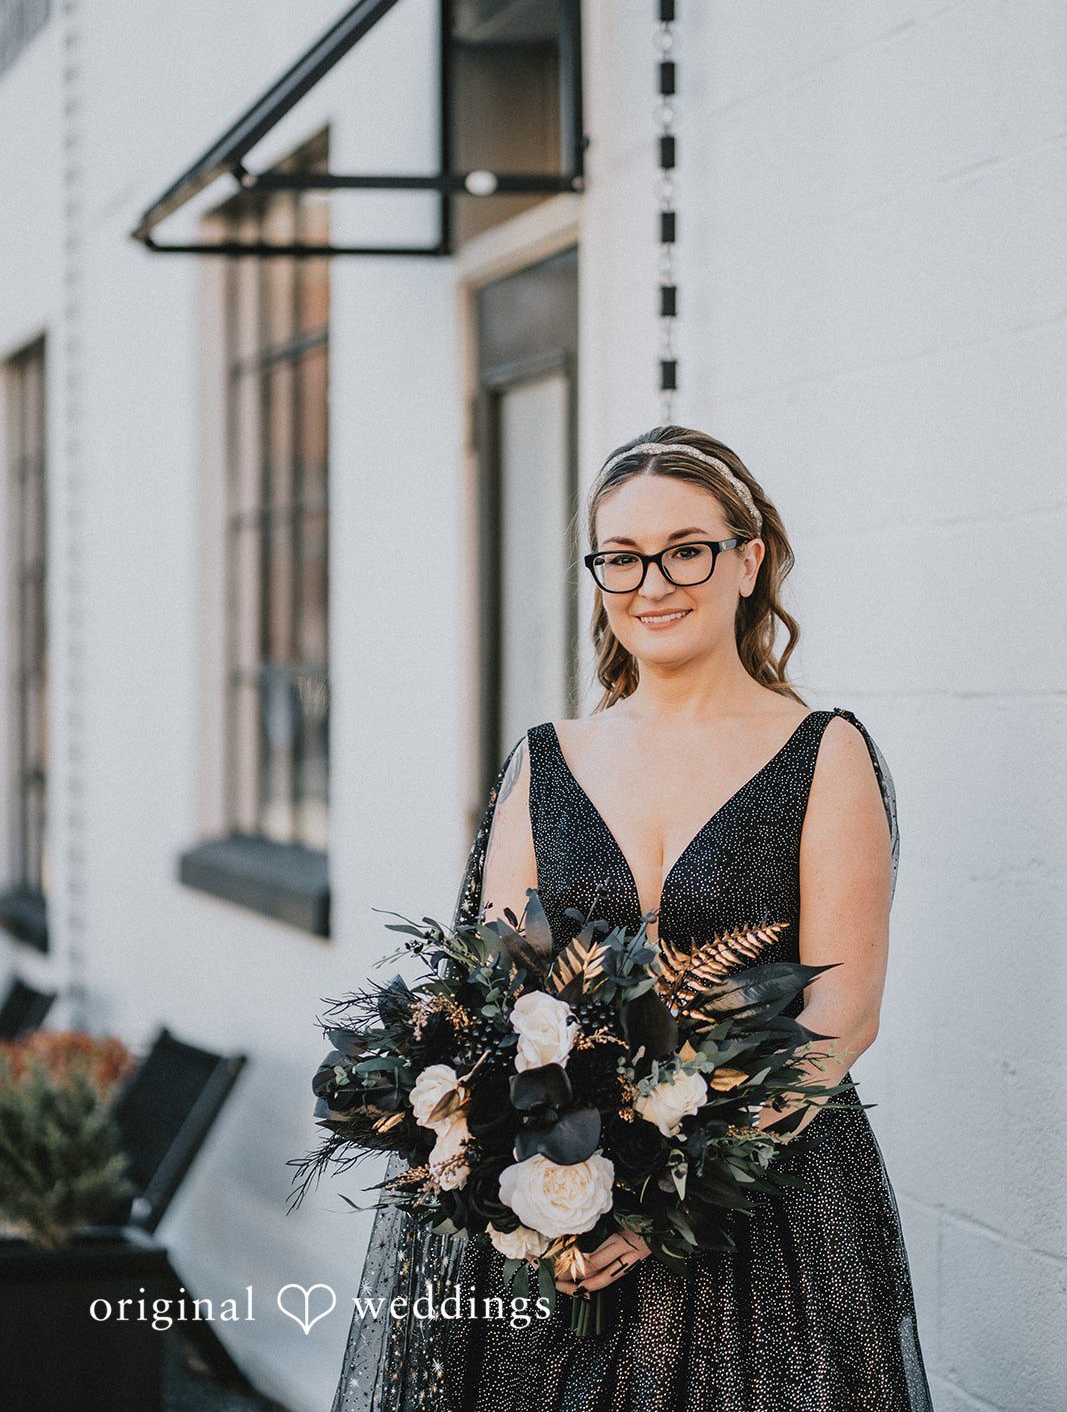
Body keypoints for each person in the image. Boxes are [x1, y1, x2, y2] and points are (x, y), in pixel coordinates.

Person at [330, 425, 934, 1412]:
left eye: (685, 550)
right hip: (555, 1222)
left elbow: (843, 1015)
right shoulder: (546, 760)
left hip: (764, 1213)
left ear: (748, 560)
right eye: (621, 556)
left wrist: (663, 1206)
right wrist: (534, 1191)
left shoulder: (823, 754)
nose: (651, 583)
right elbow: (494, 999)